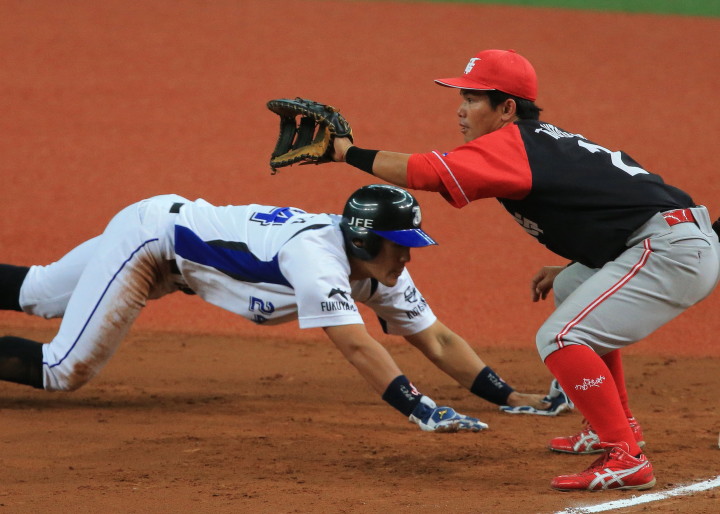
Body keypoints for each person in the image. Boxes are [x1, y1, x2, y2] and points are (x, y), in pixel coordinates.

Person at [328, 50, 720, 490]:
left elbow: (426, 172)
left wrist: (346, 152)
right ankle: (614, 425)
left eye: (473, 99)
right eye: (462, 98)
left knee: (560, 338)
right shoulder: (541, 141)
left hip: (670, 250)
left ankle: (625, 456)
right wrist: (577, 264)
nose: (461, 110)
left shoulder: (513, 143)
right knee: (571, 287)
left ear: (507, 108)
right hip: (670, 240)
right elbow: (616, 205)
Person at [0, 185, 565, 434]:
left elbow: (435, 338)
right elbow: (356, 345)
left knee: (40, 293)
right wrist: (420, 408)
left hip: (168, 243)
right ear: (365, 240)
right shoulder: (317, 261)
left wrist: (507, 396)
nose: (407, 257)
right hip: (151, 245)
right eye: (399, 245)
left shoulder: (377, 270)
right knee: (63, 368)